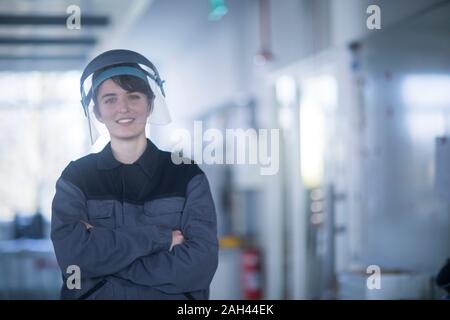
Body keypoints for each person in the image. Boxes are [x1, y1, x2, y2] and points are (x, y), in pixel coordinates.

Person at [50, 49, 219, 300]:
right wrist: (160, 238)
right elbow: (74, 260)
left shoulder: (186, 175)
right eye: (110, 99)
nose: (123, 108)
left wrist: (105, 262)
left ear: (150, 104)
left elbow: (198, 268)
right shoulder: (76, 178)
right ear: (96, 111)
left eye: (134, 96)